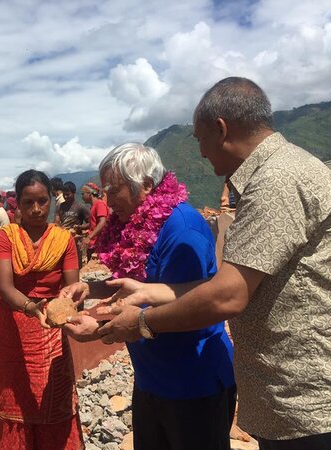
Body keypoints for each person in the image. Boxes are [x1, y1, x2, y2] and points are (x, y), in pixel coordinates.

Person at [95, 78, 331, 449]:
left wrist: (141, 321)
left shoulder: (276, 181)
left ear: (221, 129)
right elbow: (213, 287)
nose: (200, 152)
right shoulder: (278, 173)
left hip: (305, 398)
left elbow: (225, 296)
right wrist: (136, 291)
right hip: (283, 393)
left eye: (198, 139)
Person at [62, 143, 236, 450]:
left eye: (113, 190)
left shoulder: (182, 232)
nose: (107, 200)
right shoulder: (130, 224)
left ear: (145, 185)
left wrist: (101, 331)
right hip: (151, 379)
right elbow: (138, 285)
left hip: (191, 382)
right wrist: (91, 289)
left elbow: (190, 309)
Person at [0, 169, 84, 450]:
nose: (36, 209)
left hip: (51, 327)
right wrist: (33, 308)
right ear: (17, 203)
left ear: (51, 201)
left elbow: (72, 287)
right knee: (15, 391)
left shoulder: (63, 239)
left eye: (42, 201)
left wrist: (63, 309)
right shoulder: (6, 237)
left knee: (53, 391)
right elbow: (5, 287)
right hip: (14, 323)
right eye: (28, 202)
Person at [79, 182, 109, 261]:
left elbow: (102, 222)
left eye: (83, 194)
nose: (82, 196)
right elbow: (94, 222)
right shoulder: (94, 206)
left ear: (89, 194)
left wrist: (89, 237)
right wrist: (81, 227)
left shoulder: (99, 204)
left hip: (97, 243)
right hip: (93, 243)